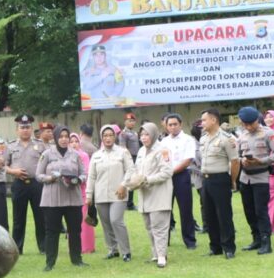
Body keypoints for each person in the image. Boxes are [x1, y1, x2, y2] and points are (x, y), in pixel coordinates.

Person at [121, 122, 173, 268]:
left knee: (159, 226)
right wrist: (131, 182)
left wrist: (147, 180)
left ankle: (162, 255)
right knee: (149, 225)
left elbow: (167, 172)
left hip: (159, 193)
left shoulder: (163, 150)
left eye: (146, 134)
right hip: (145, 195)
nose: (143, 138)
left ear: (154, 134)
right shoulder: (142, 151)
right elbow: (137, 170)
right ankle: (155, 253)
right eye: (141, 135)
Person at [36, 125, 87, 272]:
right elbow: (38, 175)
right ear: (56, 138)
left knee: (75, 230)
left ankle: (77, 260)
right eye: (61, 137)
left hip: (72, 198)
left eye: (66, 137)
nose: (64, 140)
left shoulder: (75, 155)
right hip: (52, 200)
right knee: (51, 231)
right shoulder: (47, 154)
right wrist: (50, 177)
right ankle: (50, 263)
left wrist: (78, 179)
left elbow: (84, 174)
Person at [236, 107, 274, 255]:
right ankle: (255, 239)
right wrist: (242, 160)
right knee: (249, 210)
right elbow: (238, 155)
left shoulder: (268, 133)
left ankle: (266, 242)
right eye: (245, 124)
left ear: (257, 120)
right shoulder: (242, 135)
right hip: (245, 178)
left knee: (261, 210)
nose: (249, 127)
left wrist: (260, 161)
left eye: (251, 124)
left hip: (261, 177)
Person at [86, 124, 135, 262]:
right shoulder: (96, 155)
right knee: (106, 223)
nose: (108, 138)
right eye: (105, 136)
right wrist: (89, 195)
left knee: (116, 220)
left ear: (115, 137)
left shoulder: (122, 152)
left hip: (118, 193)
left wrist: (123, 185)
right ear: (101, 138)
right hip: (101, 195)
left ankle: (126, 251)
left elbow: (131, 170)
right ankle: (112, 249)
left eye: (110, 135)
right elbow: (91, 176)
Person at [198, 108, 241, 259]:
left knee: (224, 215)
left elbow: (235, 161)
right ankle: (214, 246)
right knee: (209, 215)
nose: (201, 123)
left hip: (220, 178)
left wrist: (233, 180)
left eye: (204, 120)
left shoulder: (226, 139)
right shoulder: (203, 139)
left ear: (213, 120)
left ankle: (228, 247)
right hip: (206, 179)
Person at [4, 114, 46, 254]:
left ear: (31, 128)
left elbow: (47, 163)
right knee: (18, 218)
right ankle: (17, 248)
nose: (25, 130)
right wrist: (13, 171)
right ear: (17, 130)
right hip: (19, 184)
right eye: (22, 127)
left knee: (40, 217)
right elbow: (3, 166)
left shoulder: (40, 145)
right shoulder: (10, 146)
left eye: (27, 127)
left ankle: (44, 247)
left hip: (37, 185)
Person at [159, 114, 200, 249]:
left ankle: (190, 241)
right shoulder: (163, 141)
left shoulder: (188, 139)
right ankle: (164, 241)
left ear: (180, 124)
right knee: (165, 210)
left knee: (185, 210)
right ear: (166, 126)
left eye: (175, 124)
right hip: (166, 178)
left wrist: (171, 172)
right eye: (169, 125)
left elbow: (187, 160)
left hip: (182, 176)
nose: (172, 127)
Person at [70, 132, 96, 254]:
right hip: (69, 193)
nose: (74, 144)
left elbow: (87, 172)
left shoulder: (84, 155)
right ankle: (75, 246)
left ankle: (88, 246)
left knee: (85, 221)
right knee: (72, 220)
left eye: (76, 141)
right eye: (71, 142)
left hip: (83, 191)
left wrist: (76, 179)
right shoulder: (65, 156)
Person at [117, 112, 140, 210]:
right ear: (125, 122)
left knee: (133, 181)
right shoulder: (123, 134)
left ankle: (129, 203)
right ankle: (128, 203)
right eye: (129, 121)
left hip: (136, 158)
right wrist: (128, 160)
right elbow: (123, 148)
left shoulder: (135, 133)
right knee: (128, 180)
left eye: (133, 121)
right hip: (128, 159)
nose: (131, 123)